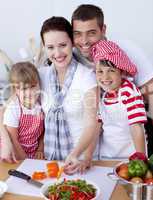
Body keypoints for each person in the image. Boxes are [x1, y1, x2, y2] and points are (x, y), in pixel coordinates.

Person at [0, 17, 98, 173]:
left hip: (79, 159)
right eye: (50, 47)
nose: (57, 53)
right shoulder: (39, 76)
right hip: (48, 160)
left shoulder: (87, 77)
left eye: (63, 45)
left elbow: (92, 124)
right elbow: (4, 110)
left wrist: (79, 156)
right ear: (44, 47)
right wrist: (6, 142)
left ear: (72, 43)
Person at [71, 4, 153, 155]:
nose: (84, 41)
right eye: (77, 33)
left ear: (103, 30)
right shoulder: (71, 54)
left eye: (91, 33)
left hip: (135, 129)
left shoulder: (125, 50)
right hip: (107, 143)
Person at [90, 40, 147, 159]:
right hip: (106, 156)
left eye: (111, 71)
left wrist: (141, 158)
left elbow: (136, 127)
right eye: (100, 71)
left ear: (121, 72)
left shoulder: (129, 92)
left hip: (130, 157)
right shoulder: (103, 95)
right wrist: (88, 156)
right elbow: (98, 128)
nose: (105, 77)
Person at [3, 62, 44, 160]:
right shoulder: (14, 108)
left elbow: (43, 131)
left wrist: (40, 149)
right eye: (24, 89)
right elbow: (13, 140)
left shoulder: (41, 104)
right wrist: (26, 161)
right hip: (16, 152)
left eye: (33, 86)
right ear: (16, 89)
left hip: (33, 150)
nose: (30, 93)